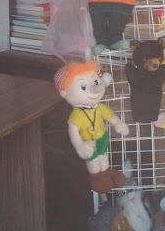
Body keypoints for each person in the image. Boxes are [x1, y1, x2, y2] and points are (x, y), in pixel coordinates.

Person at [54, 61, 129, 194]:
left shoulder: (99, 107)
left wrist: (118, 123)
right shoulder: (76, 116)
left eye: (95, 81)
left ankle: (106, 171)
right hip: (88, 144)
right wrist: (79, 146)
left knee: (103, 156)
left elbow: (110, 115)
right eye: (83, 86)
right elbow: (73, 130)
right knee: (93, 160)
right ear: (65, 93)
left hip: (102, 138)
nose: (95, 88)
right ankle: (97, 177)